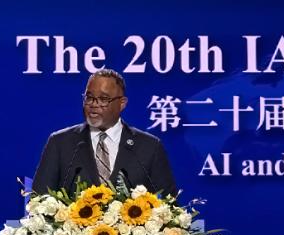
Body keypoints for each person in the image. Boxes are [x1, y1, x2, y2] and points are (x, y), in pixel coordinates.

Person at [32, 69, 177, 197]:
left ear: (122, 103)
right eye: (89, 97)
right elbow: (40, 200)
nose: (93, 104)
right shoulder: (61, 143)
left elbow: (169, 206)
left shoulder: (149, 146)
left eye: (103, 99)